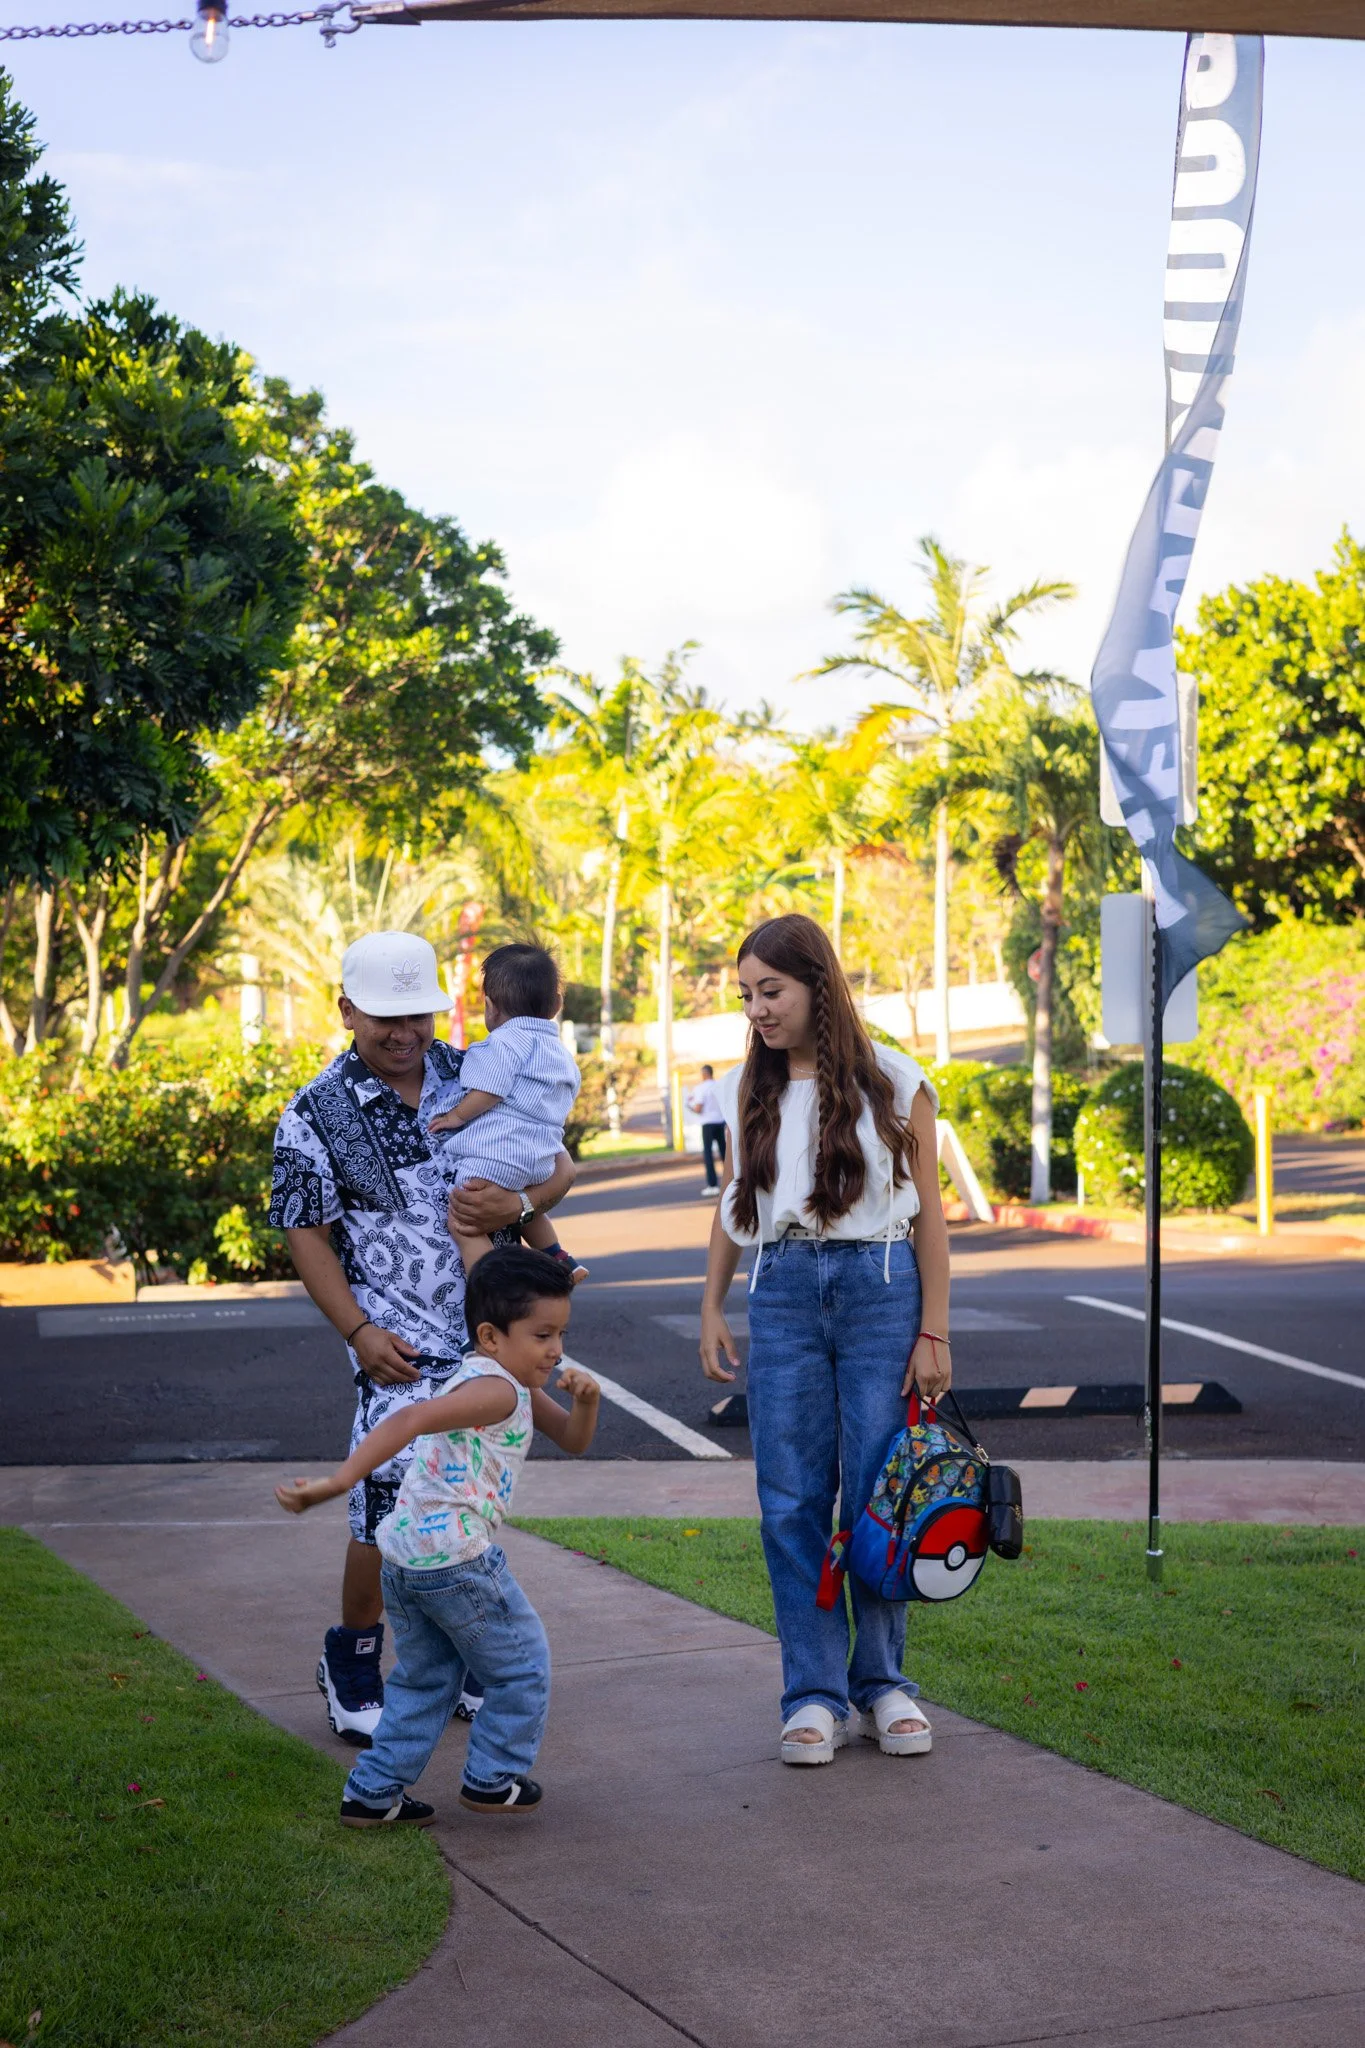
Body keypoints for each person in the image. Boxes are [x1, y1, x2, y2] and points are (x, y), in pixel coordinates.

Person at [268, 930, 576, 1747]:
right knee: (383, 1507)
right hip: (394, 1344)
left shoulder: (474, 1068)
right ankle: (355, 1657)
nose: (404, 1032)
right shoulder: (314, 1112)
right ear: (346, 1011)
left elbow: (550, 1163)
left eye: (418, 1014)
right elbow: (305, 1232)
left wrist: (516, 1213)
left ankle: (456, 1654)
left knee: (467, 1501)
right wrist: (357, 1330)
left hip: (486, 1342)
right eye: (384, 1017)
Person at [698, 913, 951, 1768]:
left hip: (881, 1289)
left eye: (771, 990)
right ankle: (813, 1695)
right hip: (782, 1294)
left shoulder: (895, 1078)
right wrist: (711, 1304)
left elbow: (932, 1219)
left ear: (817, 983)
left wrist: (934, 1329)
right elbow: (738, 1200)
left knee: (883, 1494)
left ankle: (881, 1685)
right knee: (791, 1497)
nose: (758, 1010)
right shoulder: (752, 1085)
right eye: (747, 995)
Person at [276, 1246, 600, 1825]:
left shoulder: (503, 1382)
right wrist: (340, 1480)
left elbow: (574, 1441)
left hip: (404, 1559)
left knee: (426, 1680)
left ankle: (372, 1794)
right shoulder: (497, 1390)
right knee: (522, 1668)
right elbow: (408, 1419)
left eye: (561, 1333)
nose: (555, 1348)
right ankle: (491, 1778)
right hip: (457, 1561)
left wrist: (588, 1403)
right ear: (491, 1335)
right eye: (542, 1334)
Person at [426, 943, 582, 1275]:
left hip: (498, 1153)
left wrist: (456, 1115)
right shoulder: (561, 1054)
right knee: (530, 1212)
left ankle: (494, 1283)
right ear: (556, 1006)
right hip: (541, 1158)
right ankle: (559, 1258)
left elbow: (489, 1089)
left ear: (490, 1007)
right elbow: (568, 1094)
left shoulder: (502, 1044)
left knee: (465, 1222)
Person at [686, 1063, 727, 1197]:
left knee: (708, 1154)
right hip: (720, 1122)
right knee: (725, 1154)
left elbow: (698, 1108)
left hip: (707, 1124)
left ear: (704, 1074)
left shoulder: (700, 1088)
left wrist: (689, 1107)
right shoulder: (720, 1085)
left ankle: (712, 1184)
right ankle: (731, 1182)